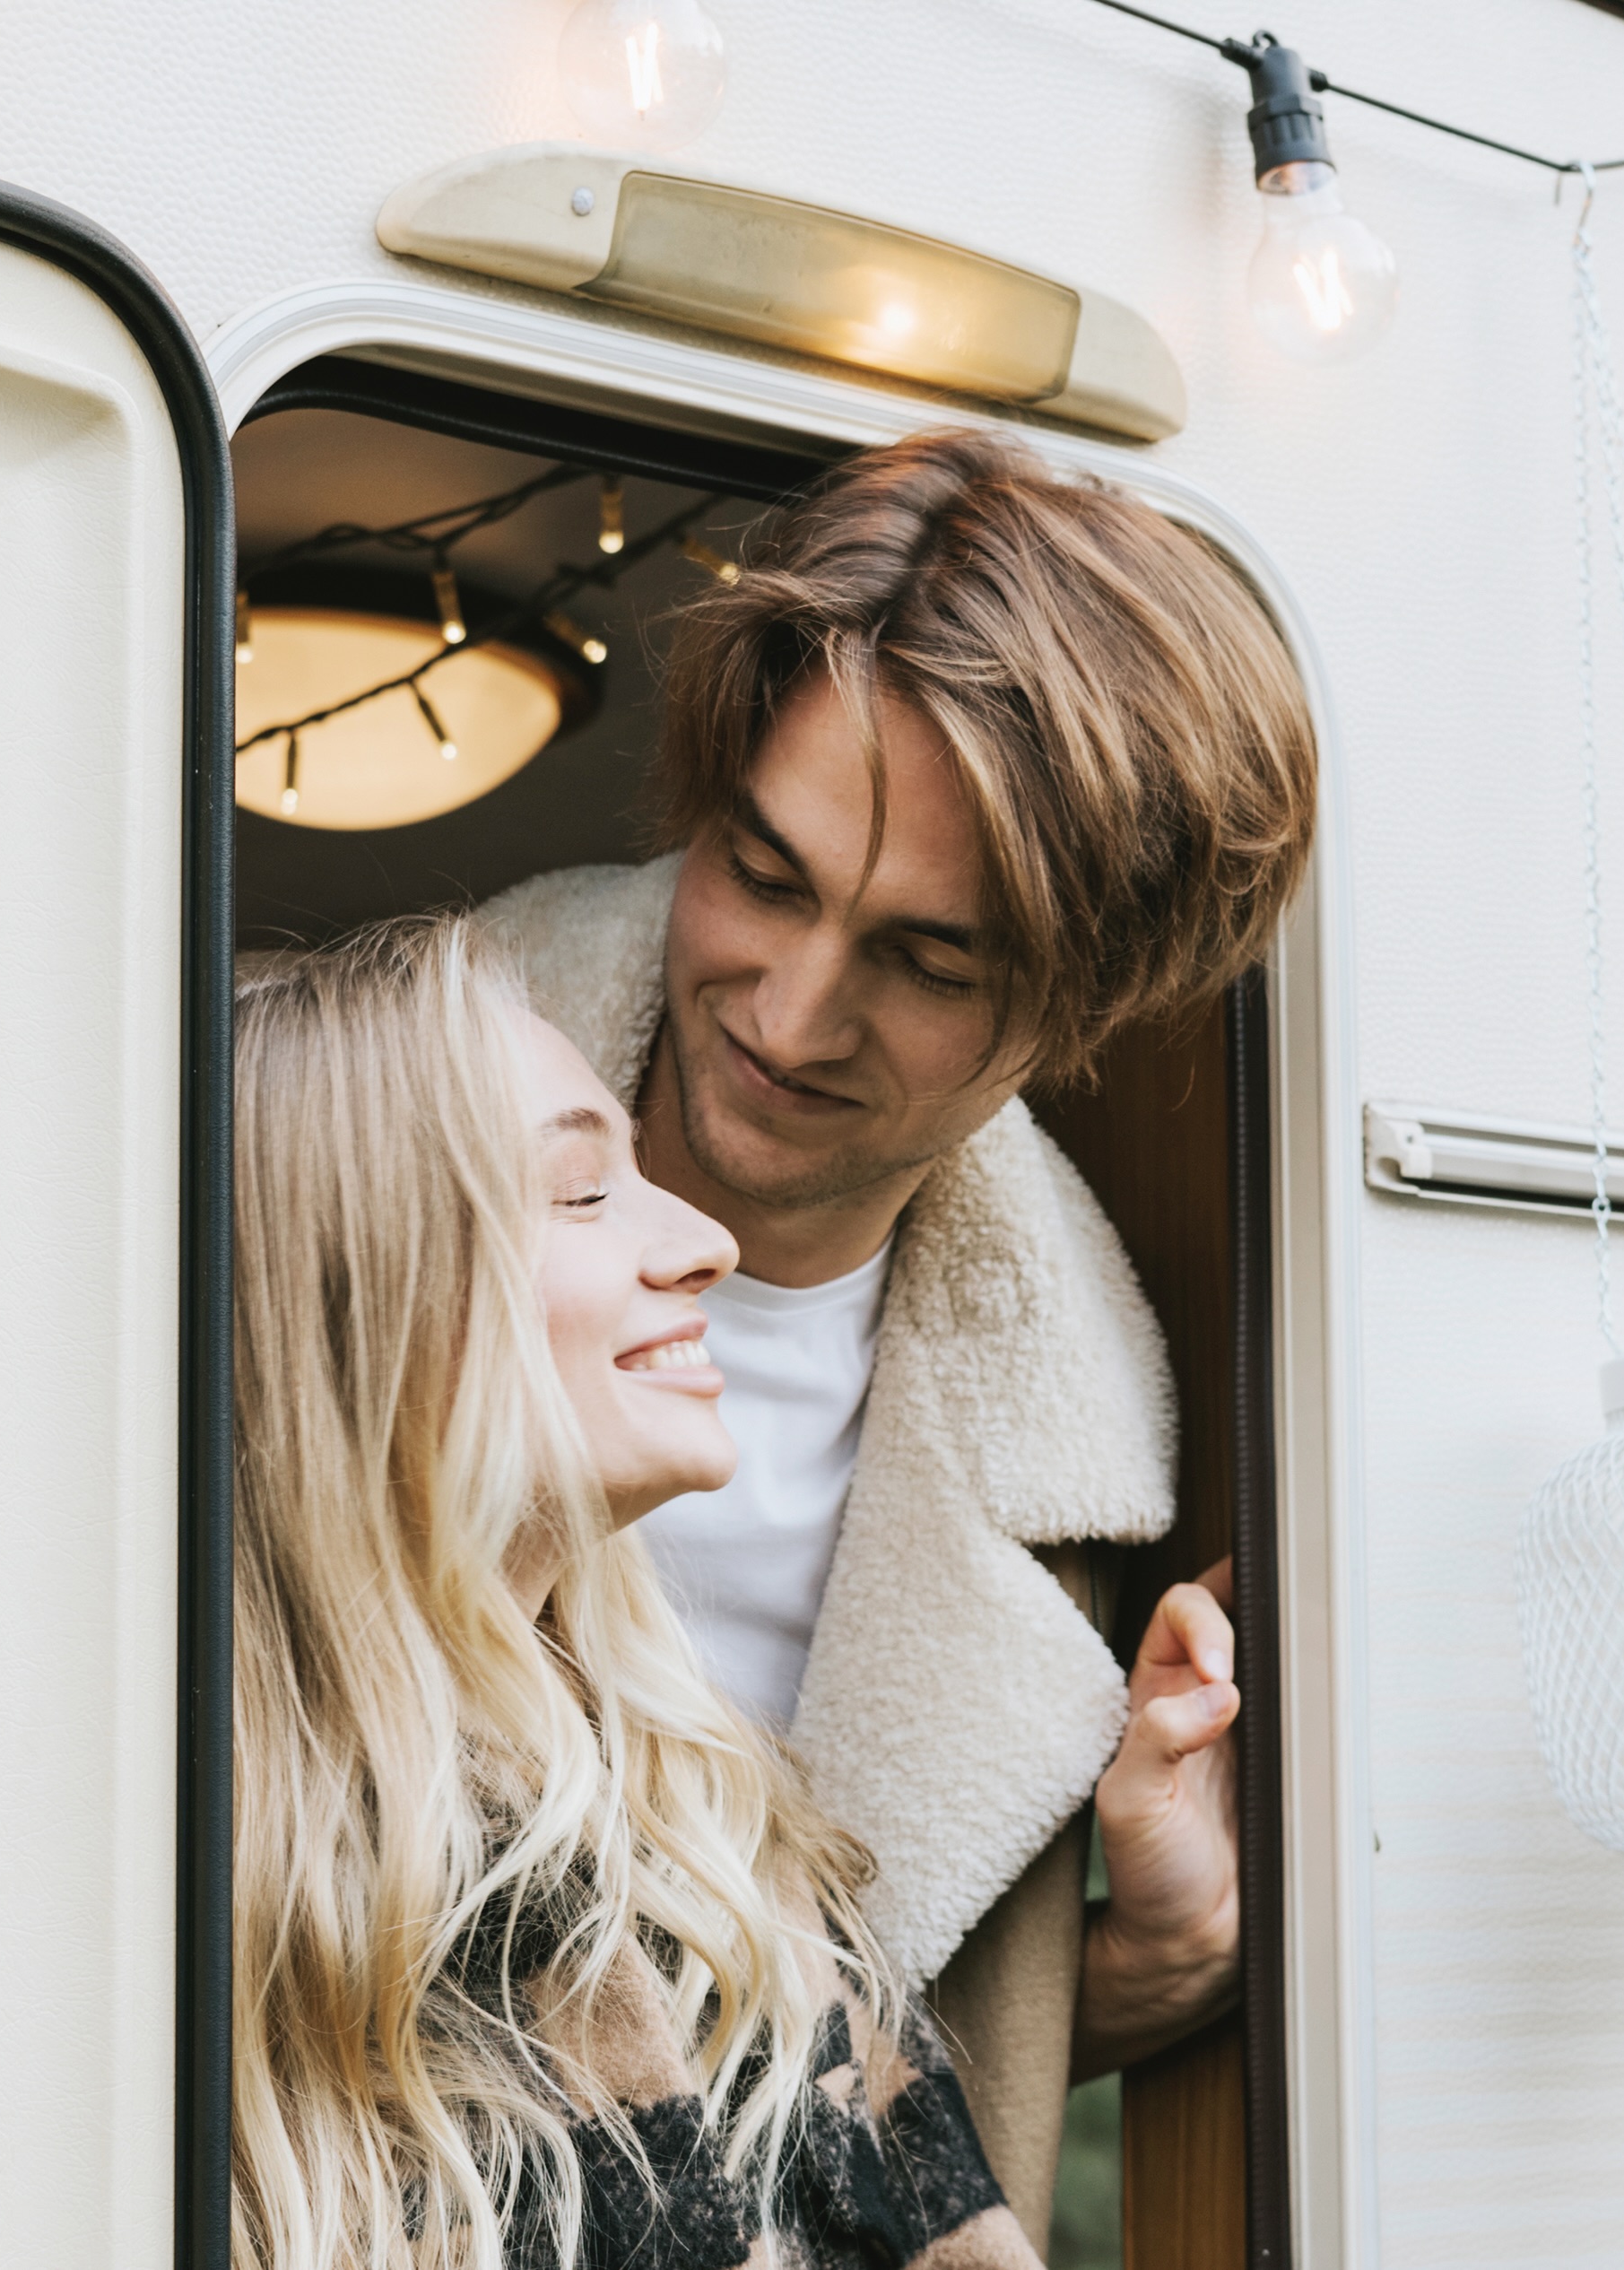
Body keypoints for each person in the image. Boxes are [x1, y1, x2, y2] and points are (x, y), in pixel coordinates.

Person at [472, 427, 1320, 2221]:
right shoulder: (295, 1167)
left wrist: (1151, 1963)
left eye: (929, 963)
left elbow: (778, 2076)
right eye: (764, 875)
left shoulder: (1089, 1473)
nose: (791, 1010)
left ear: (1081, 1008)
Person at [229, 915, 1073, 2270]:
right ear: (357, 1299)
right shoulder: (189, 1937)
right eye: (578, 1191)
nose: (699, 1240)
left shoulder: (743, 1859)